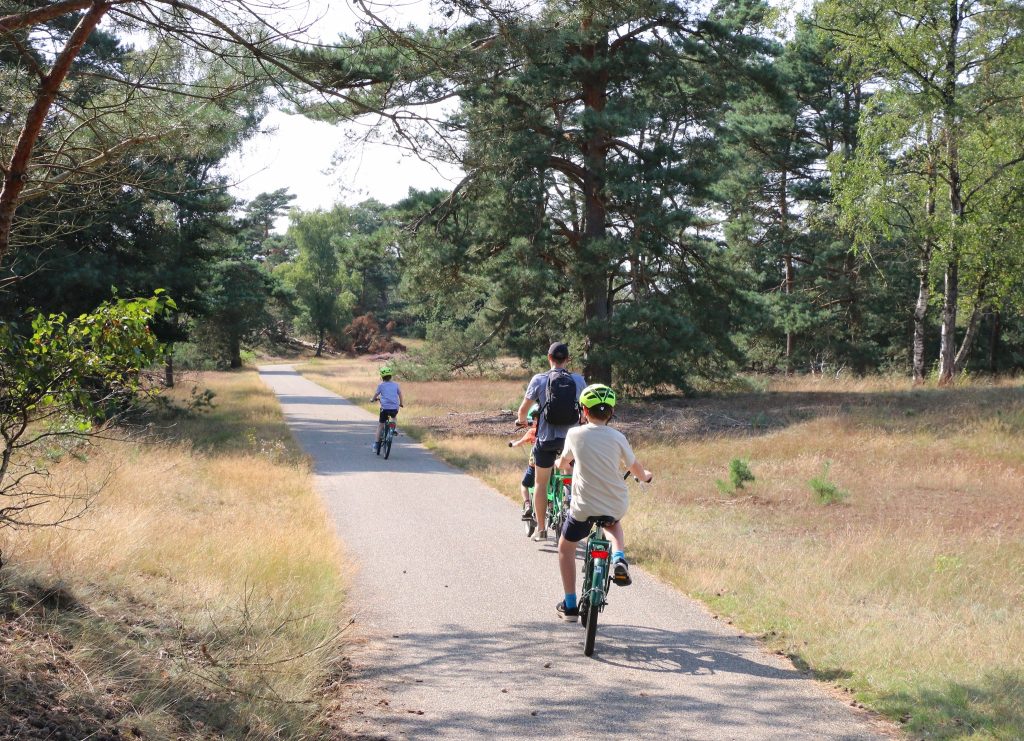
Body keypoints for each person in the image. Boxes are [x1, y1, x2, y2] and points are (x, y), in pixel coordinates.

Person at [552, 383, 652, 621]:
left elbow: (565, 462)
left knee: (566, 548)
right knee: (613, 525)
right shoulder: (618, 437)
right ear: (611, 412)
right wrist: (645, 476)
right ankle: (618, 558)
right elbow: (634, 467)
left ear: (583, 410)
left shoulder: (575, 434)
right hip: (614, 502)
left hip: (583, 506)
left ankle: (570, 605)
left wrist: (560, 465)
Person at [516, 342, 586, 542]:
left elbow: (523, 410)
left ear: (549, 357)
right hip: (571, 442)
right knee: (571, 476)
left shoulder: (539, 379)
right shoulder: (579, 380)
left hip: (546, 441)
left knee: (540, 482)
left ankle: (541, 528)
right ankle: (570, 508)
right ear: (568, 359)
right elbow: (585, 409)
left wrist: (522, 421)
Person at [509, 404, 540, 520]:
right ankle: (550, 504)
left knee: (524, 484)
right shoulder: (551, 432)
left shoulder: (532, 432)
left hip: (534, 466)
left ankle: (527, 504)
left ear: (534, 419)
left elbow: (519, 443)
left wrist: (512, 444)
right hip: (550, 465)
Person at [371, 365, 403, 453]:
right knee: (394, 417)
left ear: (381, 376)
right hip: (394, 407)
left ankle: (376, 445)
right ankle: (394, 428)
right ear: (391, 376)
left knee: (381, 425)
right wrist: (401, 403)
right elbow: (400, 394)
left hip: (384, 408)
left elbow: (376, 394)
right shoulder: (396, 385)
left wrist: (372, 399)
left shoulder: (381, 385)